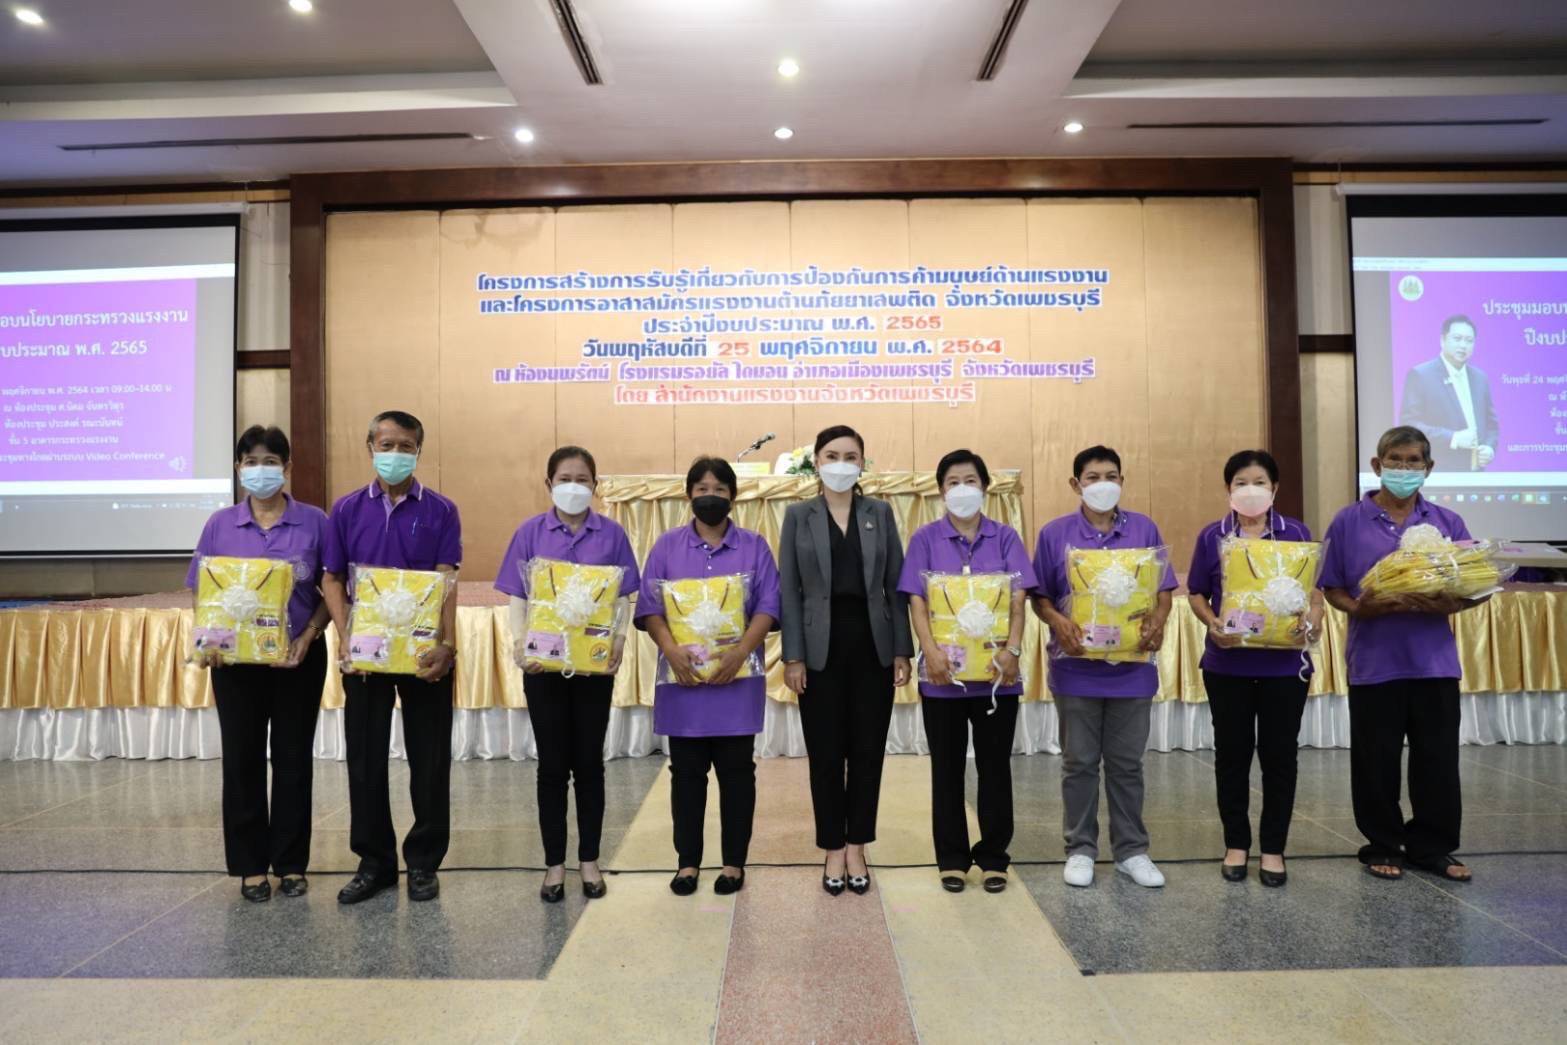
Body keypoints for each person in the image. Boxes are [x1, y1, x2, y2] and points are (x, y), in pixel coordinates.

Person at [1321, 425, 1488, 883]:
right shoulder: (1348, 521)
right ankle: (1382, 844)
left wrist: (1451, 603)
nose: (1404, 468)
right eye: (1395, 460)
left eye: (1414, 461)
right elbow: (1332, 586)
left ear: (1428, 468)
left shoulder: (1447, 522)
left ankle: (1432, 847)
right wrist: (1360, 607)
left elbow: (1475, 586)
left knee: (1437, 760)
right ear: (1377, 465)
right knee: (1376, 761)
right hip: (1374, 662)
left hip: (1434, 662)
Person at [188, 425, 334, 903]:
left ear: (287, 468)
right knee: (242, 760)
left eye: (270, 461)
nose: (260, 470)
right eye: (251, 462)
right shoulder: (219, 524)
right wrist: (208, 640)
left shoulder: (315, 522)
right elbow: (203, 592)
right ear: (238, 468)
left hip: (298, 659)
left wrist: (310, 636)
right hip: (235, 665)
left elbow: (333, 591)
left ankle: (291, 863)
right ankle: (250, 865)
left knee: (293, 761)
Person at [321, 410, 462, 905]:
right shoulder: (345, 509)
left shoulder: (441, 510)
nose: (395, 454)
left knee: (430, 759)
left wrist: (447, 645)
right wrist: (346, 638)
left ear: (419, 451)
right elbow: (332, 578)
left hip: (425, 655)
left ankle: (423, 862)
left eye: (406, 446)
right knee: (364, 759)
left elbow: (446, 582)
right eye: (387, 445)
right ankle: (374, 862)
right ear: (370, 447)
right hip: (366, 656)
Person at [494, 445, 639, 903]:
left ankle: (589, 860)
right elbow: (518, 596)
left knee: (590, 764)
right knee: (552, 767)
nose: (573, 487)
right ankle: (554, 864)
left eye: (582, 480)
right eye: (564, 479)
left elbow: (622, 597)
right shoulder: (529, 533)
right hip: (544, 669)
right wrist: (521, 644)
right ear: (549, 484)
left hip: (594, 669)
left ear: (595, 485)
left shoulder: (612, 534)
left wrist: (618, 641)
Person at [1031, 445, 1176, 890]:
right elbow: (1040, 596)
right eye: (1093, 477)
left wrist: (1158, 619)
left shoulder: (1145, 529)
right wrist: (1058, 622)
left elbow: (1164, 590)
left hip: (1132, 671)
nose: (1103, 484)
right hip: (1076, 669)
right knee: (1078, 763)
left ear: (1122, 481)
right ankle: (1080, 849)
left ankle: (1132, 850)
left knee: (1127, 765)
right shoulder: (1055, 534)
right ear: (1076, 484)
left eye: (1111, 476)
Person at [779, 426, 914, 896]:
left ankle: (858, 845)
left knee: (867, 753)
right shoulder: (798, 515)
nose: (841, 463)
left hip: (873, 646)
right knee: (825, 755)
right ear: (816, 462)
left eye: (850, 456)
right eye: (832, 455)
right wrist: (793, 655)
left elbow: (896, 586)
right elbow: (789, 591)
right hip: (819, 651)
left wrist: (901, 648)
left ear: (862, 463)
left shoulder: (880, 512)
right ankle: (832, 848)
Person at [636, 456, 780, 897]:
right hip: (683, 683)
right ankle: (688, 863)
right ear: (689, 495)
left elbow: (768, 606)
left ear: (733, 496)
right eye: (702, 489)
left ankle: (734, 863)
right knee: (686, 774)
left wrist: (740, 652)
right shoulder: (666, 547)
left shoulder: (754, 546)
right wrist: (671, 651)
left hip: (737, 681)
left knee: (737, 774)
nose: (710, 496)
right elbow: (650, 608)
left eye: (719, 489)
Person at [1186, 450, 1325, 887]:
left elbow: (1314, 594)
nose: (1251, 490)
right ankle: (1236, 844)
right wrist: (1212, 623)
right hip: (1227, 664)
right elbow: (1196, 592)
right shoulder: (1212, 536)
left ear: (1275, 488)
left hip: (1285, 667)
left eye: (1259, 482)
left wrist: (1313, 621)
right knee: (1232, 756)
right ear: (1228, 489)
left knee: (1280, 757)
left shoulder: (1296, 534)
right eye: (1241, 483)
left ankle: (1274, 849)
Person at [898, 449, 1031, 894]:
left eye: (970, 481)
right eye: (953, 482)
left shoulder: (1006, 537)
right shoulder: (925, 539)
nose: (962, 489)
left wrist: (1013, 651)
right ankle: (952, 858)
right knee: (947, 771)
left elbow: (1018, 600)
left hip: (997, 679)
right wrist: (930, 652)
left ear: (985, 487)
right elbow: (916, 601)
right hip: (942, 680)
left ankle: (994, 857)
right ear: (941, 491)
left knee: (995, 770)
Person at [1398, 314, 1499, 472]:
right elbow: (1410, 426)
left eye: (1469, 340)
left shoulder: (1480, 378)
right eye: (1457, 339)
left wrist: (1489, 448)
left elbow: (1491, 425)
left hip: (1476, 474)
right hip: (1439, 473)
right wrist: (1453, 438)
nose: (1463, 345)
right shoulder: (1421, 375)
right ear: (1442, 340)